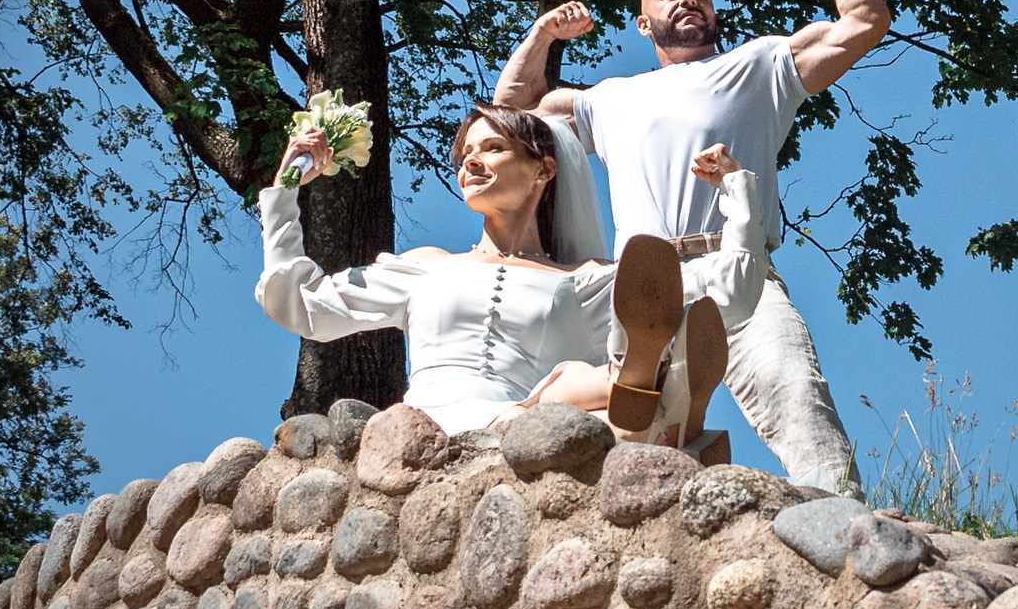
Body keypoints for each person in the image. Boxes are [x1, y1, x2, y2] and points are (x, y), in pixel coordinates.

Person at [493, 0, 888, 491]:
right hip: (642, 287)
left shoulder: (759, 66)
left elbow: (864, 21)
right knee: (634, 433)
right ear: (643, 23)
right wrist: (541, 35)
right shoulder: (606, 99)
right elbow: (512, 114)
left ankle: (840, 521)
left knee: (795, 393)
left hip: (738, 268)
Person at [255, 103, 767, 442]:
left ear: (543, 170)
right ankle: (658, 391)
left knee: (566, 390)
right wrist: (285, 190)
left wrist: (737, 187)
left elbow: (735, 293)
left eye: (491, 149)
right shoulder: (427, 269)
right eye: (465, 155)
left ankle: (640, 378)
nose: (469, 164)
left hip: (524, 423)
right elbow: (300, 305)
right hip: (426, 426)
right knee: (577, 391)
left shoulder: (587, 279)